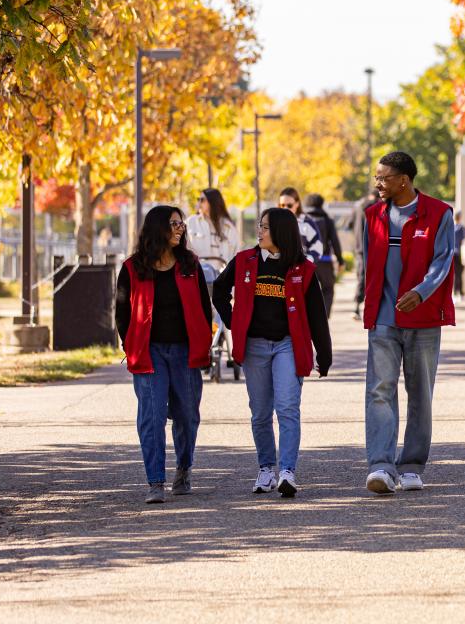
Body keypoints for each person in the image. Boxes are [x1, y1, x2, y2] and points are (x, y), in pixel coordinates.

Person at [212, 207, 332, 498]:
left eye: (265, 227)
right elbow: (218, 290)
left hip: (287, 345)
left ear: (281, 232)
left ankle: (287, 471)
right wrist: (234, 322)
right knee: (261, 412)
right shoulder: (245, 260)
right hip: (254, 346)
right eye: (260, 226)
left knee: (288, 407)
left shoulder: (303, 269)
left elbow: (317, 315)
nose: (260, 232)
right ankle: (266, 468)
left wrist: (324, 354)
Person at [361, 151, 455, 494]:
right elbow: (367, 263)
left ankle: (412, 465)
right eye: (377, 177)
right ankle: (381, 467)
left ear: (404, 179)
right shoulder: (371, 215)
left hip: (423, 318)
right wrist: (365, 302)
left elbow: (444, 260)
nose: (378, 183)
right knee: (379, 391)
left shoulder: (439, 213)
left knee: (420, 393)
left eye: (383, 177)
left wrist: (422, 291)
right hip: (384, 318)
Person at [115, 205, 212, 504]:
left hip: (185, 351)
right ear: (158, 227)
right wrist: (129, 343)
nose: (180, 228)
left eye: (181, 223)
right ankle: (155, 481)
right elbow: (122, 311)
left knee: (186, 414)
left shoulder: (189, 264)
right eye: (173, 223)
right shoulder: (133, 268)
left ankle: (183, 469)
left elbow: (204, 306)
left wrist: (205, 342)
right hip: (149, 352)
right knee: (152, 416)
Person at [303, 193, 344, 318]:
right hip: (325, 262)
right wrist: (340, 261)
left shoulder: (302, 220)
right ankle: (323, 319)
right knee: (328, 290)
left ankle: (308, 318)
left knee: (306, 291)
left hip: (306, 262)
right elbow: (335, 242)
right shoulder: (327, 220)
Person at [186, 188, 239, 280]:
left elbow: (236, 253)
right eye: (198, 199)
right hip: (196, 275)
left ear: (213, 202)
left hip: (222, 277)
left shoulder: (228, 227)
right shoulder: (191, 222)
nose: (199, 202)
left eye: (202, 200)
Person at [350, 191, 376, 321]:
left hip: (359, 247)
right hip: (376, 248)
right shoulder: (380, 206)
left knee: (361, 276)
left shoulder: (357, 207)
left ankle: (356, 306)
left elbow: (349, 224)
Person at [452, 210, 465, 304]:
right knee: (458, 274)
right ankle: (459, 293)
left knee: (457, 275)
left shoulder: (452, 228)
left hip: (456, 255)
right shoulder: (463, 229)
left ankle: (457, 293)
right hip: (458, 255)